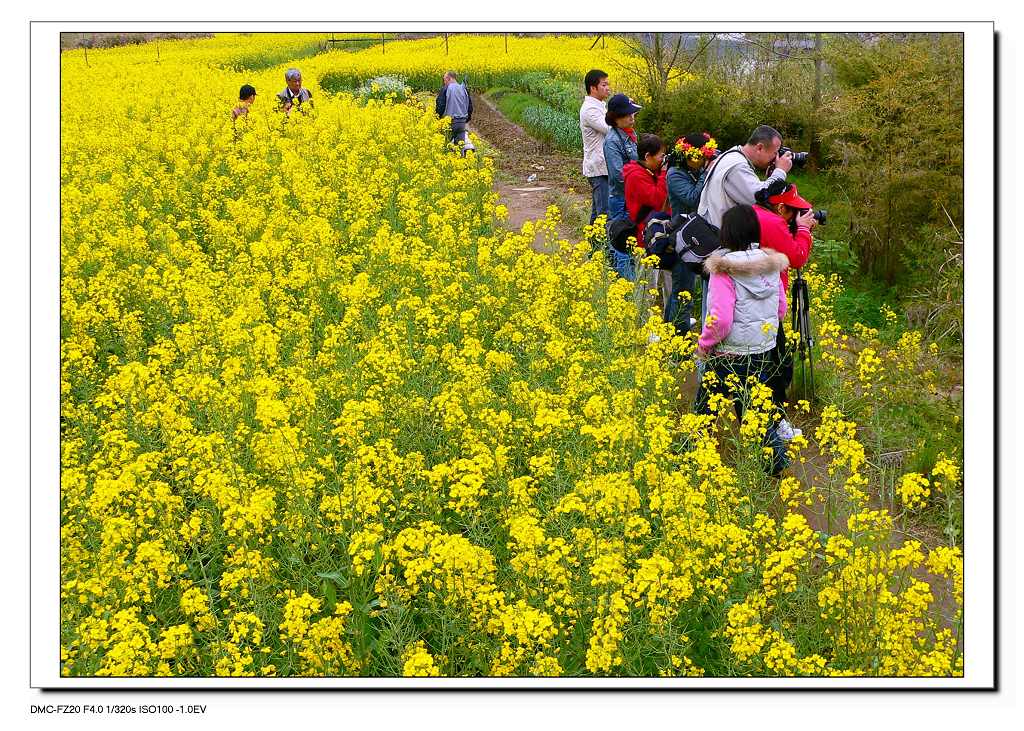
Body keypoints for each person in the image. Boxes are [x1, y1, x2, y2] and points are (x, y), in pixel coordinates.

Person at [694, 204, 791, 476]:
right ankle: (775, 462)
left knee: (704, 408)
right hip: (763, 351)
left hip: (729, 354)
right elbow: (781, 308)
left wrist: (704, 345)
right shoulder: (771, 265)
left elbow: (720, 320)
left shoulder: (723, 269)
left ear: (726, 234)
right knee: (754, 411)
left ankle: (691, 455)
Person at [694, 124, 793, 329]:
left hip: (714, 240)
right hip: (719, 246)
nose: (775, 158)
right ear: (759, 147)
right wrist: (780, 172)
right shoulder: (737, 166)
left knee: (714, 304)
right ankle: (707, 358)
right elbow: (759, 197)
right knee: (717, 310)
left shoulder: (731, 155)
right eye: (773, 153)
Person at [754, 183, 818, 440]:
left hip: (754, 302)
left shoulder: (755, 212)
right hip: (765, 304)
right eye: (794, 211)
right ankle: (774, 424)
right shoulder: (773, 223)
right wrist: (803, 230)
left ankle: (766, 420)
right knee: (780, 364)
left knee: (766, 364)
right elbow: (797, 257)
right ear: (781, 208)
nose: (796, 217)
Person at [665, 132, 716, 333]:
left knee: (683, 289)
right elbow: (692, 198)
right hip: (682, 237)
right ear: (691, 156)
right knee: (682, 290)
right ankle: (678, 343)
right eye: (703, 157)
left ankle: (669, 333)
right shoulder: (675, 173)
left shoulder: (694, 170)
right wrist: (707, 172)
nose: (706, 161)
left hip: (697, 235)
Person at [602, 93, 643, 279]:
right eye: (628, 114)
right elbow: (619, 175)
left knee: (634, 243)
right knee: (622, 245)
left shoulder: (631, 135)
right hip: (621, 200)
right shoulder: (612, 141)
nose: (632, 117)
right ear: (616, 118)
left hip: (633, 198)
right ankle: (626, 289)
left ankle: (631, 285)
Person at [579, 69, 612, 226]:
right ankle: (602, 248)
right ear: (593, 88)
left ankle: (592, 247)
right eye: (604, 85)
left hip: (603, 166)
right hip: (598, 167)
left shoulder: (600, 106)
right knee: (604, 213)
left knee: (597, 211)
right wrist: (624, 114)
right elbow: (609, 128)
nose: (608, 88)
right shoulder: (590, 109)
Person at [435, 71, 475, 156]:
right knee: (460, 148)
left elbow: (440, 105)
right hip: (461, 123)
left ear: (449, 78)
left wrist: (438, 118)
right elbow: (470, 106)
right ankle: (460, 165)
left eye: (444, 80)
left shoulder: (446, 88)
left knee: (445, 146)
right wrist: (465, 120)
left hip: (449, 122)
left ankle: (446, 164)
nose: (444, 82)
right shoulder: (463, 88)